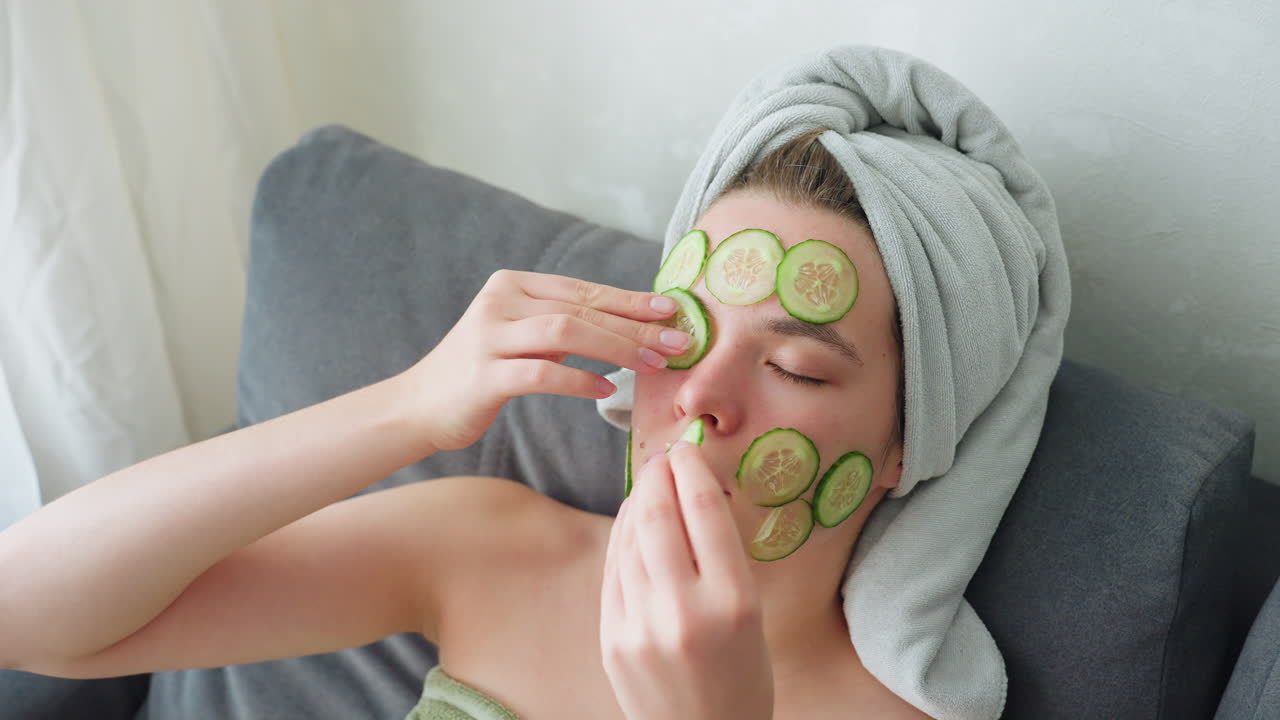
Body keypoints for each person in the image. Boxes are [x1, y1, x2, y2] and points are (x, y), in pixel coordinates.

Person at [0, 127, 931, 719]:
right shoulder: (492, 549)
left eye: (794, 366)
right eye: (683, 331)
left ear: (901, 445)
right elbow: (24, 616)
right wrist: (409, 406)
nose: (698, 396)